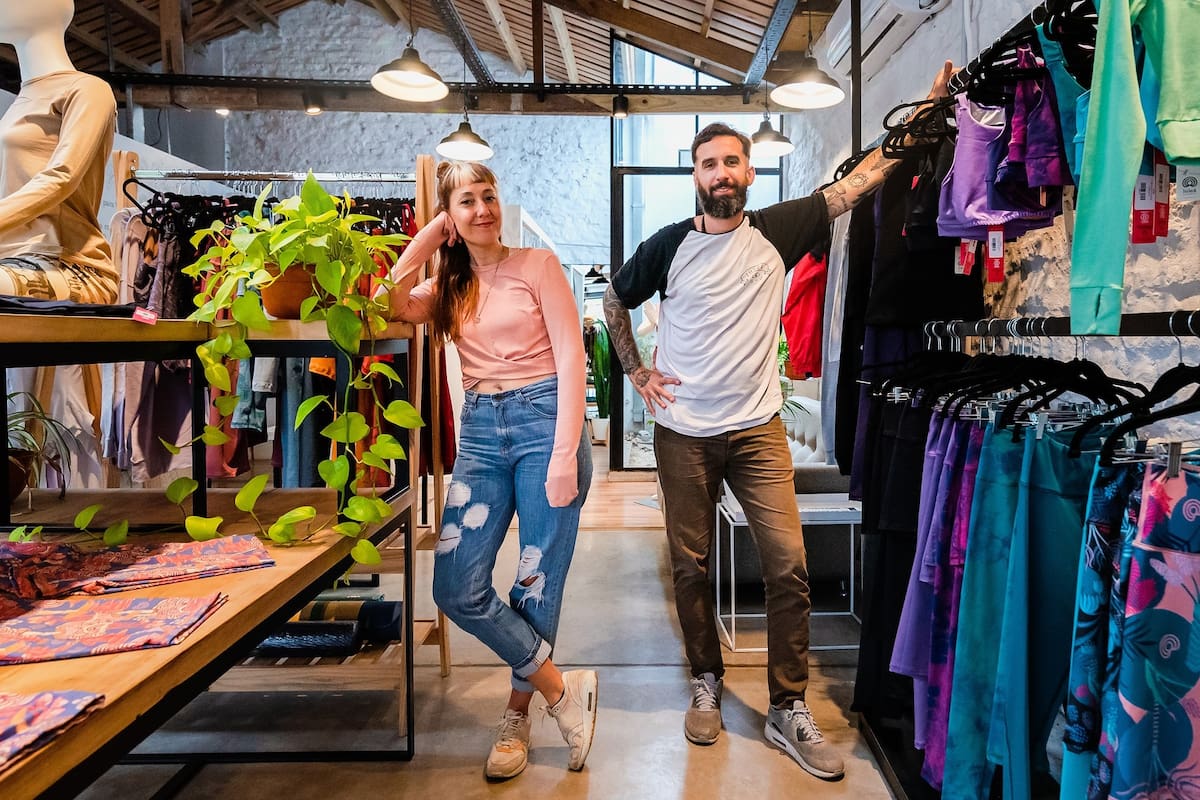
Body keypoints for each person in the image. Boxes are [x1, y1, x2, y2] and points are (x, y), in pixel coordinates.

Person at [603, 61, 956, 780]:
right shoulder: (668, 246)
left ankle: (787, 705)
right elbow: (614, 300)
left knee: (789, 566)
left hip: (757, 429)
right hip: (683, 433)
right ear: (696, 177)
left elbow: (863, 180)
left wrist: (928, 106)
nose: (721, 172)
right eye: (709, 163)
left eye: (732, 161)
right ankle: (705, 677)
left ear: (749, 173)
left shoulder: (783, 227)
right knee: (690, 565)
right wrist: (636, 371)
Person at [384, 161, 597, 780]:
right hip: (480, 429)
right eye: (468, 202)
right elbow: (385, 305)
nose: (483, 210)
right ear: (452, 215)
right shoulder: (445, 287)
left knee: (535, 583)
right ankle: (561, 688)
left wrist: (564, 456)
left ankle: (516, 715)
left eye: (489, 196)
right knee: (453, 586)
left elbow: (573, 360)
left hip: (545, 423)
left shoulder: (537, 266)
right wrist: (424, 242)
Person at [0, 0, 118, 303]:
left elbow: (61, 176)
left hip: (70, 263)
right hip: (10, 261)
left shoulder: (87, 89)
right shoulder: (21, 100)